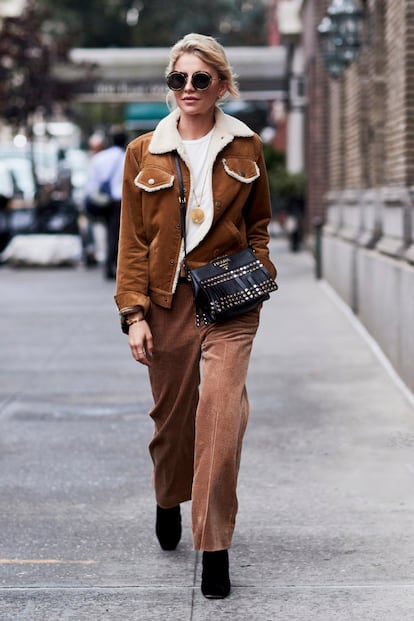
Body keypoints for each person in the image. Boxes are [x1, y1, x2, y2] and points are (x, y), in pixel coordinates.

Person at [115, 33, 277, 599]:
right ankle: (168, 495)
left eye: (200, 80)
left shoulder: (246, 147)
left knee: (220, 418)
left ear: (222, 86)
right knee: (173, 420)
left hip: (231, 301)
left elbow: (258, 224)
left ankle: (214, 547)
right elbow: (132, 242)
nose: (187, 89)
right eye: (178, 79)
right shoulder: (144, 151)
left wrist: (258, 268)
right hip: (168, 302)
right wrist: (134, 314)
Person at [85, 126, 127, 278]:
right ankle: (113, 265)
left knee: (110, 233)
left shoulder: (100, 158)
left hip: (103, 201)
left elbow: (91, 182)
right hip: (121, 201)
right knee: (119, 235)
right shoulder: (127, 157)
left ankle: (109, 265)